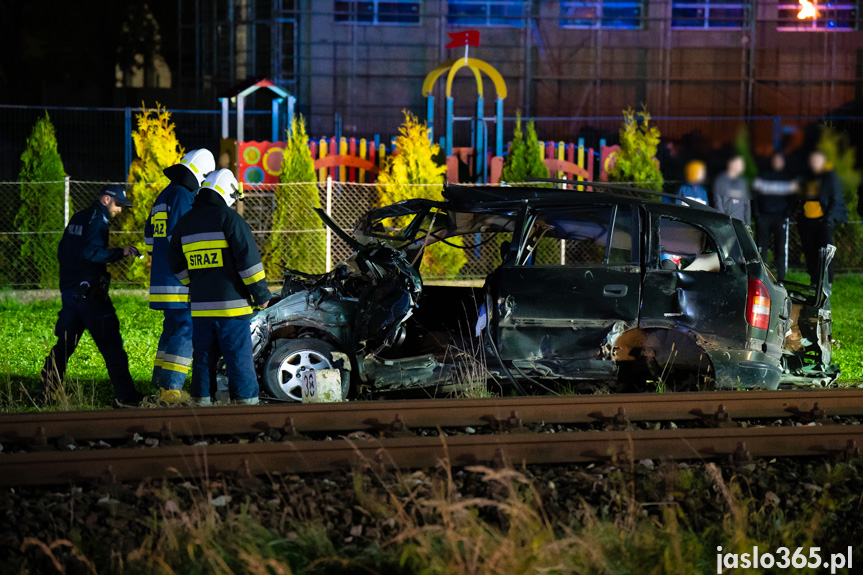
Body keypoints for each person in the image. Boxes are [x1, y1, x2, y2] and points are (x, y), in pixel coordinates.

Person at [168, 169, 272, 405]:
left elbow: (174, 261)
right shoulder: (230, 219)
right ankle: (246, 406)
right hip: (231, 310)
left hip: (201, 308)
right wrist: (262, 296)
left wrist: (193, 282)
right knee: (238, 358)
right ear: (225, 191)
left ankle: (201, 403)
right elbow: (249, 264)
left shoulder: (185, 223)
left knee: (203, 358)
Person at [39, 185, 144, 407]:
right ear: (106, 199)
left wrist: (69, 283)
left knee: (64, 345)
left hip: (71, 293)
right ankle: (126, 397)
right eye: (117, 204)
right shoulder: (98, 220)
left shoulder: (79, 217)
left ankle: (46, 394)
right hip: (90, 295)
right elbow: (91, 252)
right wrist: (120, 252)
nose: (120, 210)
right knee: (112, 345)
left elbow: (63, 251)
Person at [144, 149, 215, 404]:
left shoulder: (163, 195)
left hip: (161, 279)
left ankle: (160, 383)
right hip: (180, 280)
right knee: (187, 329)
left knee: (171, 329)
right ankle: (171, 389)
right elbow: (186, 237)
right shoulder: (184, 196)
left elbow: (150, 241)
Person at [798, 150, 848, 284]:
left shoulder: (830, 176)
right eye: (812, 160)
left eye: (817, 160)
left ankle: (827, 283)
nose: (814, 163)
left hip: (823, 223)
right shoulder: (808, 176)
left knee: (825, 255)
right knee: (811, 254)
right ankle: (814, 282)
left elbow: (835, 198)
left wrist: (828, 219)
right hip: (807, 222)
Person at [752, 153, 797, 282]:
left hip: (780, 217)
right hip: (764, 217)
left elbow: (793, 198)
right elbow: (755, 196)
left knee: (780, 249)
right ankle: (761, 276)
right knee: (761, 248)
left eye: (779, 160)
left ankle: (781, 278)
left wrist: (787, 214)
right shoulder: (762, 176)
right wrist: (758, 215)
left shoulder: (787, 177)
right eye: (775, 160)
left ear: (783, 162)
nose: (777, 163)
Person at [712, 154, 751, 225]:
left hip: (741, 224)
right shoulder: (720, 181)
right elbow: (718, 204)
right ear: (732, 164)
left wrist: (748, 224)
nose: (742, 167)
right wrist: (724, 222)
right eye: (740, 164)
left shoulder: (743, 182)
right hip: (727, 224)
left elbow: (747, 205)